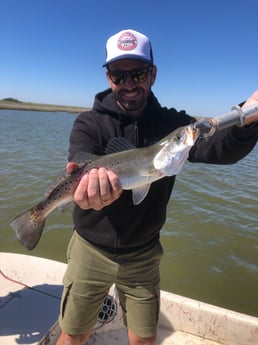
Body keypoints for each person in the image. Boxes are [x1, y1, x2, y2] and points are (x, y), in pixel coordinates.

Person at [57, 29, 258, 345]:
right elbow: (79, 164)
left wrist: (249, 115)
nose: (128, 84)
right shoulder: (88, 123)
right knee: (73, 334)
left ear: (152, 74)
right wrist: (86, 197)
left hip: (144, 253)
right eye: (118, 76)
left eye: (137, 73)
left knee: (145, 339)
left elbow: (221, 148)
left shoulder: (172, 125)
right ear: (108, 78)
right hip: (90, 249)